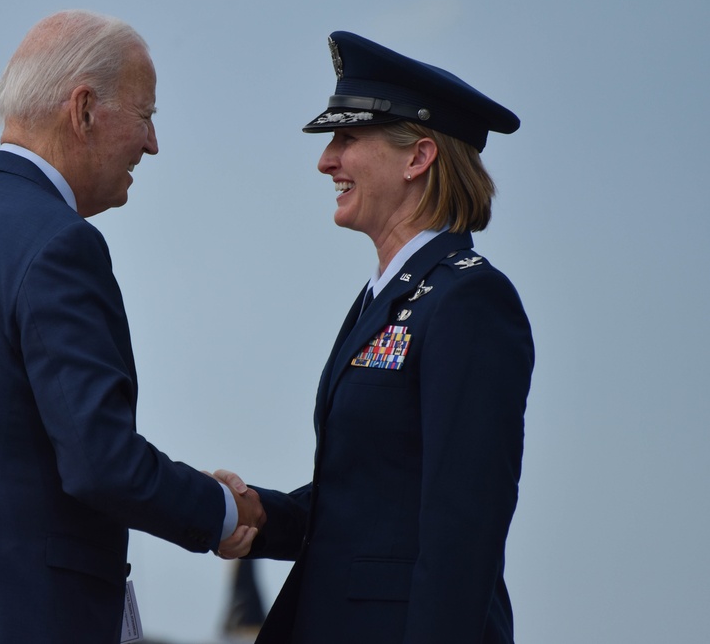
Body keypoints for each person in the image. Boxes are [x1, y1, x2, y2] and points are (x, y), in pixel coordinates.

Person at [0, 10, 263, 644]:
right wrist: (220, 511)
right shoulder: (60, 245)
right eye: (146, 115)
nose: (152, 143)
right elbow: (101, 462)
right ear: (83, 109)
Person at [217, 32, 534, 643]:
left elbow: (462, 526)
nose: (325, 160)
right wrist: (260, 512)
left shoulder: (468, 299)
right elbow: (370, 500)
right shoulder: (386, 297)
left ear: (418, 158)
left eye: (346, 139)